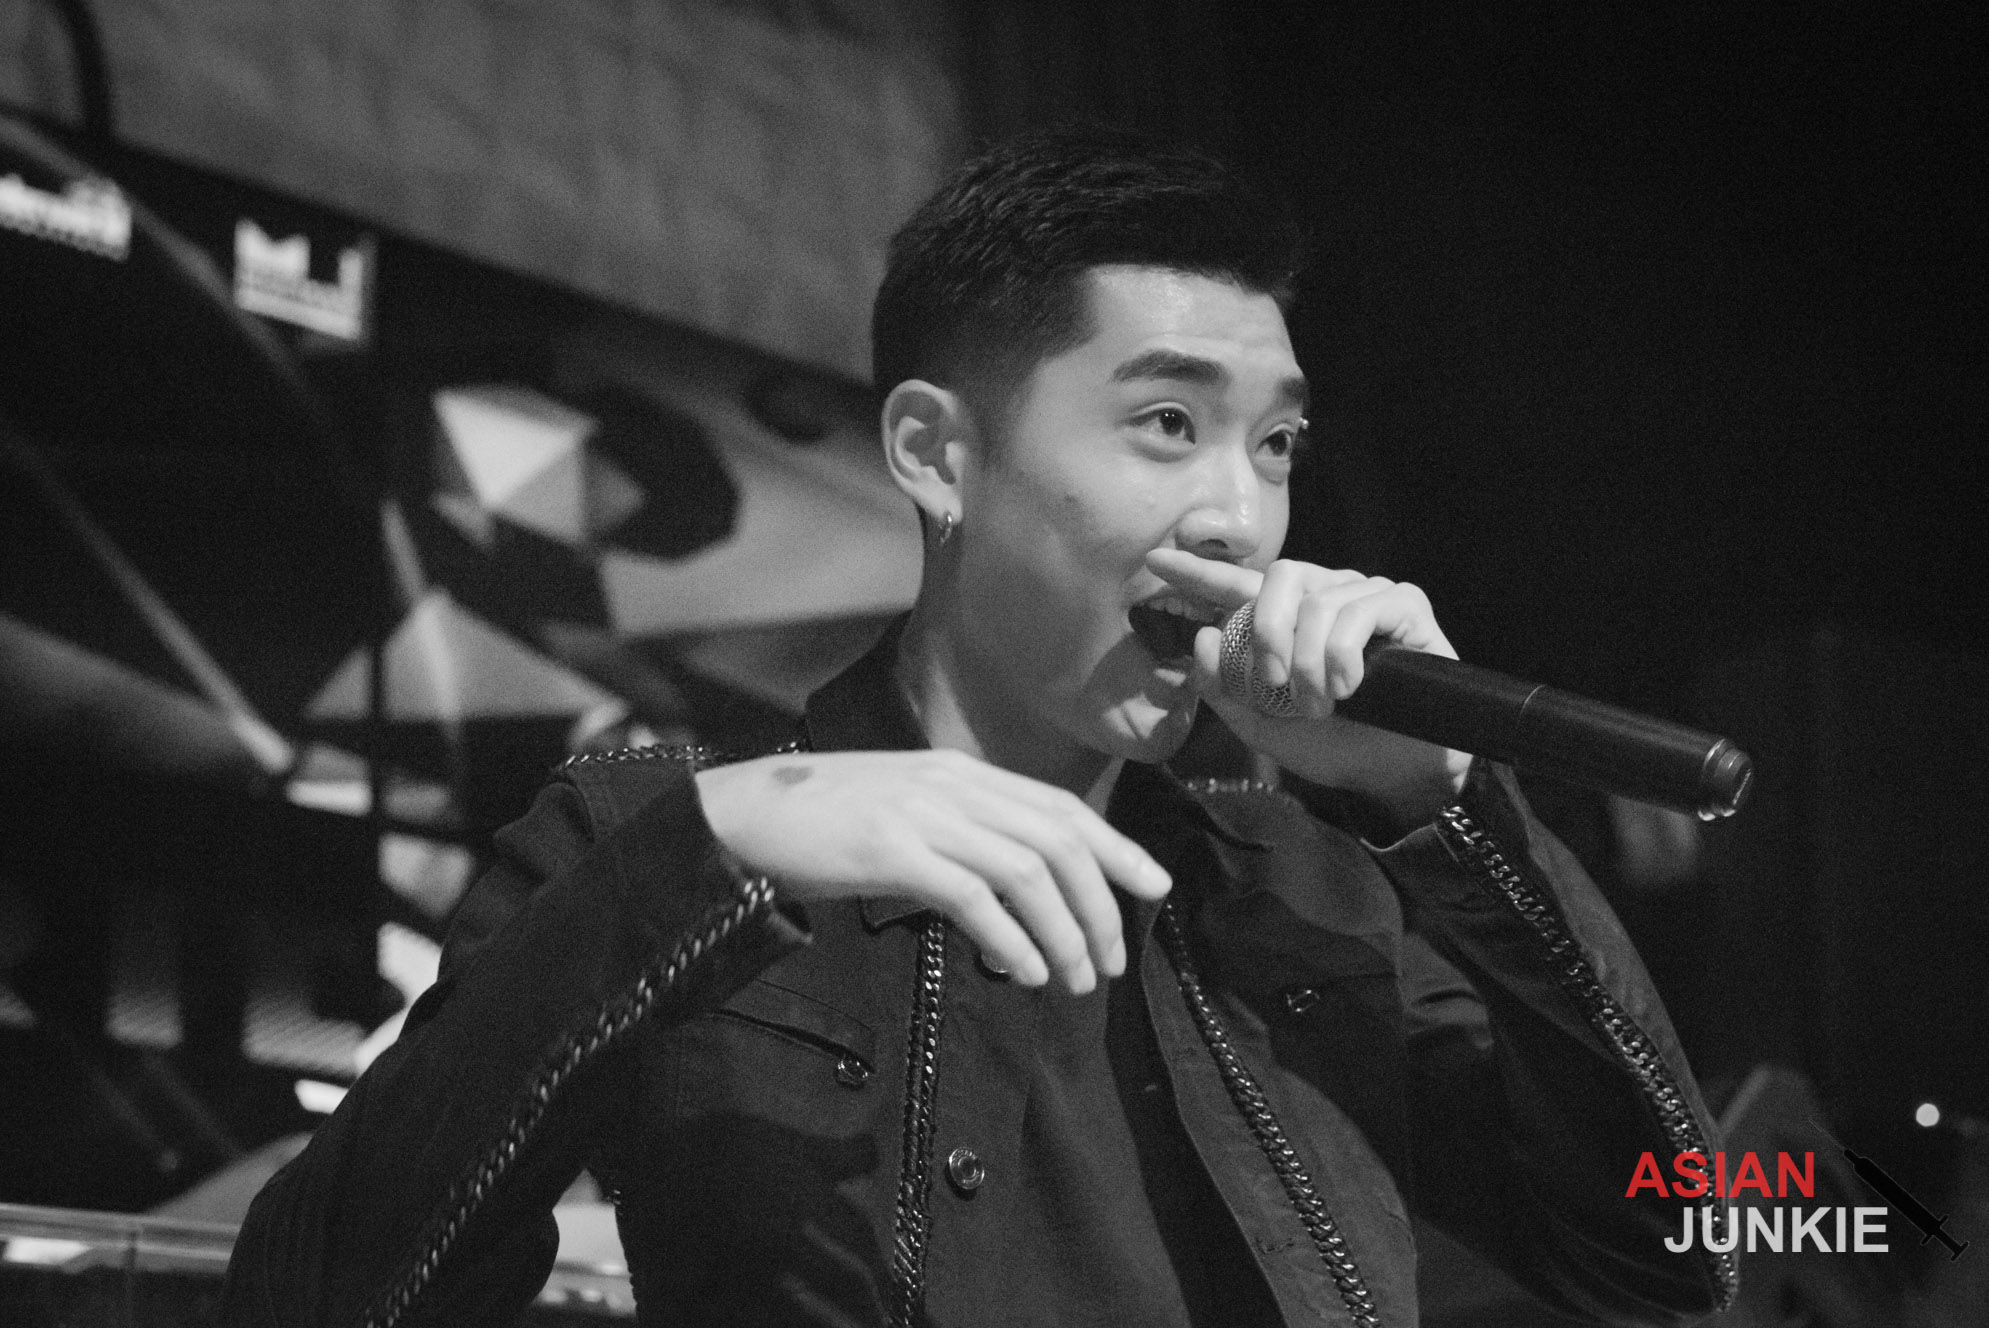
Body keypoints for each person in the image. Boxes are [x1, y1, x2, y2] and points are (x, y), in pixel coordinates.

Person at [223, 128, 1736, 1327]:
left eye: (1273, 443)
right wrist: (707, 853)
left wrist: (1436, 807)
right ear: (937, 454)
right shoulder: (664, 834)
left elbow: (1672, 1259)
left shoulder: (1299, 882)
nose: (1240, 515)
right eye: (1167, 424)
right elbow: (315, 1295)